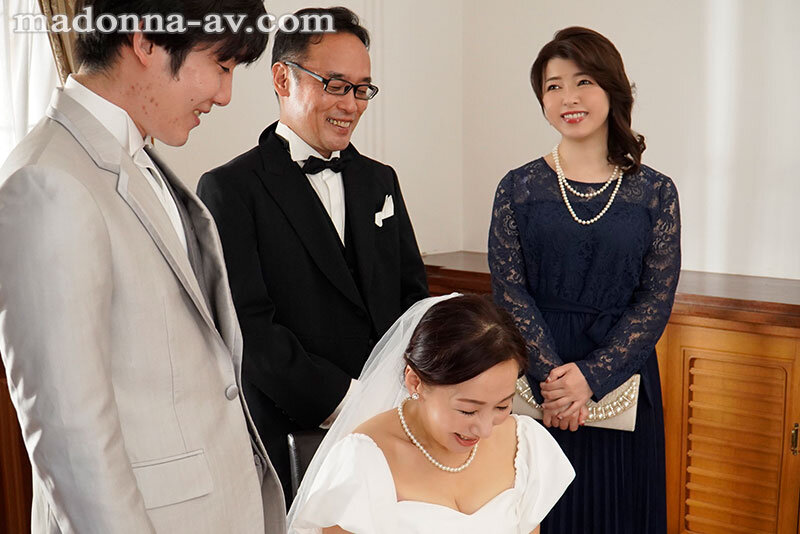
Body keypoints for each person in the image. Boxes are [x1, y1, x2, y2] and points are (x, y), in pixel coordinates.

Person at [0, 1, 286, 532]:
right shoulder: (48, 182)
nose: (225, 95)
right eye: (221, 65)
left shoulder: (134, 158)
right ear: (147, 40)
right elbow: (70, 436)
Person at [197, 6, 429, 501]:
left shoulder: (380, 181)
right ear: (283, 78)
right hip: (291, 432)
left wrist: (403, 398)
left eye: (362, 89)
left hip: (393, 425)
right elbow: (249, 329)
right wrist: (348, 402)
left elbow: (412, 300)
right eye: (336, 85)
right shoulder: (229, 189)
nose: (352, 104)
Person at [489, 27, 681, 534]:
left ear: (612, 89)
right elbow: (509, 293)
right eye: (553, 86)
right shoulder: (517, 187)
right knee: (541, 513)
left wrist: (592, 378)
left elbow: (655, 300)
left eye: (583, 82)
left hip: (623, 372)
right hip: (537, 374)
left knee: (621, 512)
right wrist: (554, 380)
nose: (568, 98)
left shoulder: (656, 192)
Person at [287, 294, 574, 533]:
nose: (486, 429)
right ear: (415, 382)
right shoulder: (363, 460)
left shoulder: (523, 444)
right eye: (468, 410)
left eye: (502, 406)